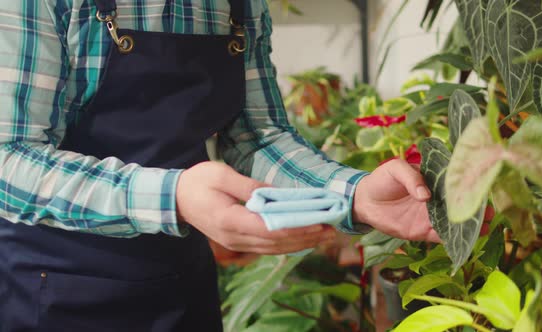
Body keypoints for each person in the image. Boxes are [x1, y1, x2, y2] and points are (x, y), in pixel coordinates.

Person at [0, 0, 439, 331]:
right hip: (54, 289)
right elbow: (10, 157)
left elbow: (257, 135)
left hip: (183, 285)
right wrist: (174, 196)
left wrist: (354, 194)